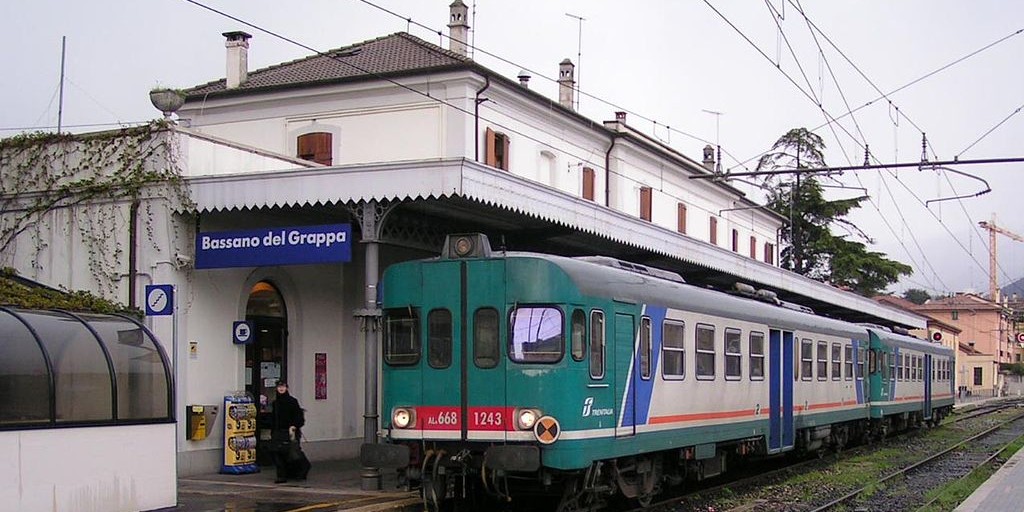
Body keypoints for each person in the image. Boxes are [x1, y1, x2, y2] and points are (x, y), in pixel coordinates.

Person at [270, 380, 306, 483]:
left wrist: (294, 426)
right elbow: (274, 418)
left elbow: (299, 417)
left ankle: (298, 472)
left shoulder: (292, 401)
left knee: (290, 454)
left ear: (286, 388)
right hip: (278, 432)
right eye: (279, 387)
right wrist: (272, 431)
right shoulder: (275, 403)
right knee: (277, 453)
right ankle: (281, 475)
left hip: (290, 432)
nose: (281, 388)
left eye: (283, 386)